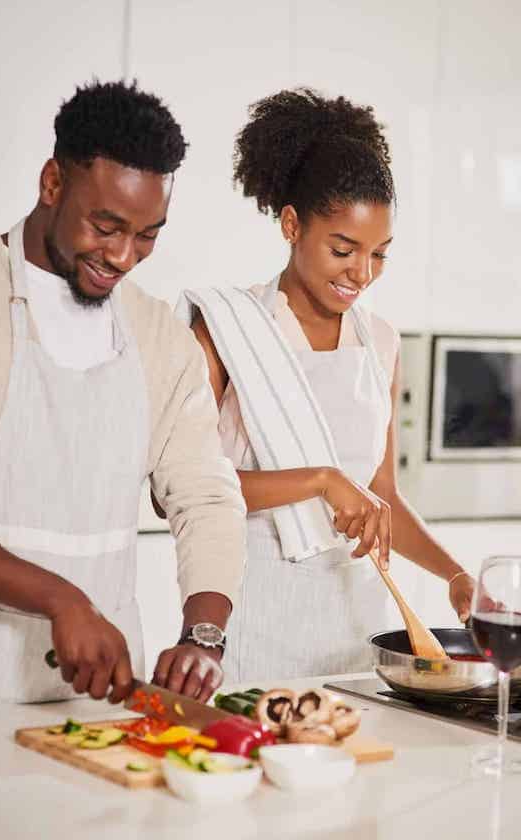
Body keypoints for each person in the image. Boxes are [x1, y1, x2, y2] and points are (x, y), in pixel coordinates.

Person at [0, 80, 246, 709]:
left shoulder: (160, 340)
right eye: (107, 226)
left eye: (148, 235)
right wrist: (64, 601)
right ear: (52, 184)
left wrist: (204, 636)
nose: (123, 256)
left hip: (100, 700)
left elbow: (205, 497)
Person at [183, 89, 475, 681]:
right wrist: (320, 480)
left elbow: (381, 495)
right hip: (250, 618)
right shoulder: (225, 328)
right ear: (292, 224)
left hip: (357, 626)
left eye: (379, 255)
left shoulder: (381, 343)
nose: (362, 275)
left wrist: (455, 575)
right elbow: (180, 491)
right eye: (343, 249)